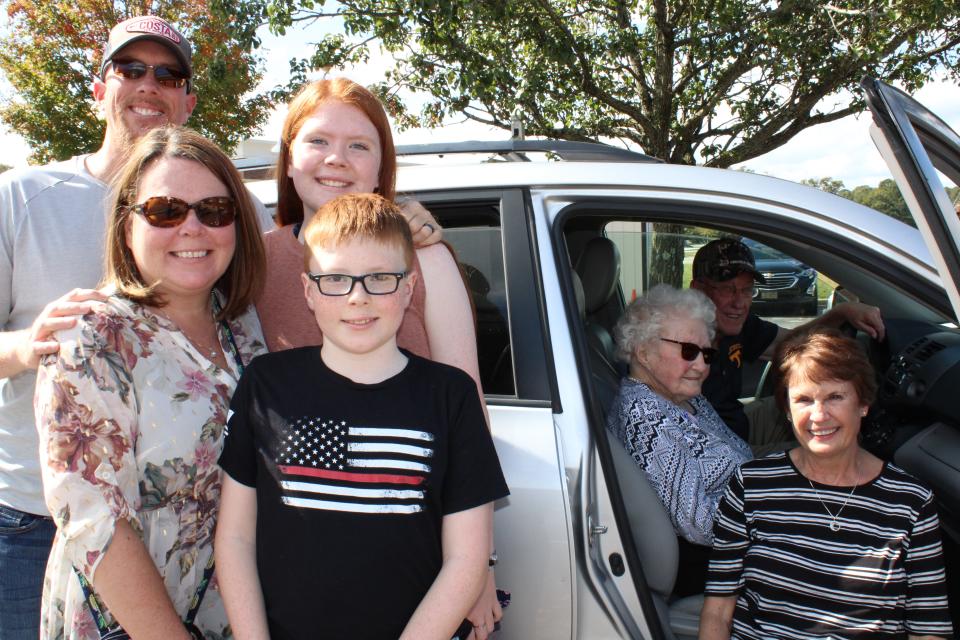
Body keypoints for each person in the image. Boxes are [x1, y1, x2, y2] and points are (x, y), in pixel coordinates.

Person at [256, 77, 503, 634]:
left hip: (415, 549)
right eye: (317, 141)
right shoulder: (257, 261)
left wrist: (480, 562)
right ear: (290, 160)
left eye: (359, 145)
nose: (336, 160)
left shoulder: (423, 256)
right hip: (301, 559)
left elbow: (469, 405)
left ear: (381, 165)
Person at [216, 193, 509, 639]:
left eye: (380, 279)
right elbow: (236, 538)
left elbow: (466, 560)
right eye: (335, 278)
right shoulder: (266, 385)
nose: (357, 298)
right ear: (309, 290)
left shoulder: (451, 397)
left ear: (409, 288)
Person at [0, 16, 202, 638]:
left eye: (168, 74)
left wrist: (400, 223)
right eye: (131, 69)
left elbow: (316, 273)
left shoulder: (218, 206)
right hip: (40, 524)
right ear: (100, 87)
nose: (150, 85)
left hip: (189, 528)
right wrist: (23, 348)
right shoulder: (23, 198)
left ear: (188, 100)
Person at [34, 126, 267, 639]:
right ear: (126, 225)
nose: (192, 228)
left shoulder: (244, 327)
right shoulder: (92, 335)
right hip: (133, 622)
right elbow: (94, 518)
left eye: (214, 211)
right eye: (165, 210)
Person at [700, 330, 953, 640]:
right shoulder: (751, 485)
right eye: (804, 399)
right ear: (787, 411)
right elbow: (718, 610)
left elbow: (929, 629)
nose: (819, 416)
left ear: (863, 403)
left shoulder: (911, 502)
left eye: (835, 396)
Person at [606, 284, 751, 596]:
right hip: (721, 567)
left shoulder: (682, 399)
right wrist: (777, 516)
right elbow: (699, 523)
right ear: (643, 351)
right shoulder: (647, 420)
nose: (701, 365)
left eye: (707, 353)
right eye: (688, 351)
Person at [691, 237, 885, 453]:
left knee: (828, 411)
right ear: (698, 289)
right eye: (728, 289)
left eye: (747, 290)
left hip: (735, 425)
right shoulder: (678, 342)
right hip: (715, 452)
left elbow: (796, 343)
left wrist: (841, 313)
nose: (739, 303)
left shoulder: (737, 325)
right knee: (833, 452)